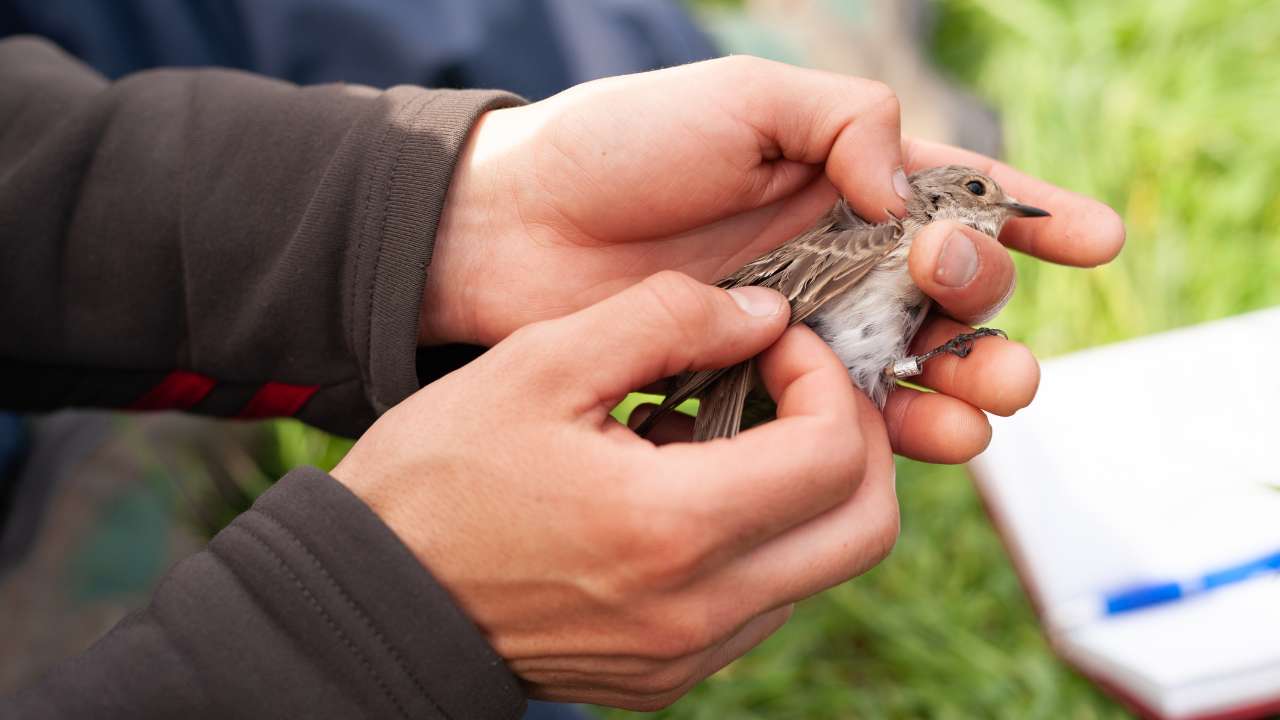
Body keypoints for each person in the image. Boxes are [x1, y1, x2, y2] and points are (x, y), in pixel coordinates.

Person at [0, 35, 1124, 718]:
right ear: (932, 209)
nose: (997, 216)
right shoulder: (877, 237)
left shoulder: (890, 237)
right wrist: (391, 611)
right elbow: (788, 299)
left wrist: (467, 208)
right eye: (978, 202)